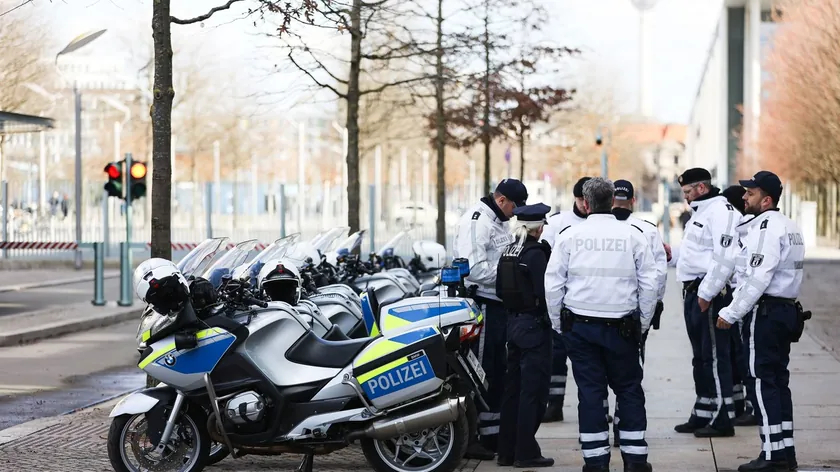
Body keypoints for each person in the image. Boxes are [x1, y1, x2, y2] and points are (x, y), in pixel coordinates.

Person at [545, 178, 658, 472]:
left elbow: (553, 284)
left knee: (590, 393)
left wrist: (558, 325)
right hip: (622, 327)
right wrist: (642, 324)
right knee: (629, 390)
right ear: (612, 201)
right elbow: (650, 283)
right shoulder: (633, 236)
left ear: (585, 203)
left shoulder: (569, 236)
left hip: (580, 328)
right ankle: (635, 459)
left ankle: (595, 462)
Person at [716, 171, 806, 472]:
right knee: (778, 382)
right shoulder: (789, 225)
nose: (744, 197)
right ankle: (785, 451)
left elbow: (757, 278)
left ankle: (772, 455)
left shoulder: (766, 228)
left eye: (751, 193)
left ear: (766, 200)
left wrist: (730, 313)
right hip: (784, 311)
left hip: (766, 313)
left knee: (762, 383)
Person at [453, 178, 528, 457]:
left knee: (496, 372)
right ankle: (470, 438)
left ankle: (492, 436)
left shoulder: (500, 222)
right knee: (480, 372)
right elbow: (474, 269)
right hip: (482, 306)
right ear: (501, 200)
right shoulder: (477, 222)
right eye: (515, 207)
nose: (516, 213)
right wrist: (512, 275)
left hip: (498, 307)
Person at [672, 168, 740, 438]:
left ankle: (723, 416)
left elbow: (726, 257)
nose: (686, 197)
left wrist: (706, 293)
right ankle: (703, 411)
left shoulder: (721, 211)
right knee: (700, 357)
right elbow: (695, 254)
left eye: (688, 191)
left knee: (714, 356)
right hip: (693, 291)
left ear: (701, 188)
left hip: (709, 293)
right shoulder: (701, 212)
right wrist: (671, 254)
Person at [610, 179, 669, 447]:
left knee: (597, 375)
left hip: (595, 312)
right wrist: (653, 307)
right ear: (633, 201)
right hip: (632, 315)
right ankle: (622, 427)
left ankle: (596, 427)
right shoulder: (646, 229)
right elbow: (658, 274)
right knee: (629, 374)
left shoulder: (592, 228)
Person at [495, 202, 555, 468]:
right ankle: (526, 451)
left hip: (513, 325)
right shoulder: (536, 254)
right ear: (538, 228)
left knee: (513, 391)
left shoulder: (508, 252)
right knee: (534, 392)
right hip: (534, 327)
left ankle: (506, 451)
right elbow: (545, 292)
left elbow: (499, 290)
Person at [539, 175, 592, 423]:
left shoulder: (602, 223)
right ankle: (554, 404)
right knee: (557, 357)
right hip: (562, 300)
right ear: (575, 198)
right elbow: (544, 257)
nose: (585, 205)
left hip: (589, 300)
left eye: (587, 200)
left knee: (589, 362)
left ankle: (595, 406)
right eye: (581, 200)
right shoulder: (558, 222)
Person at [721, 185, 759, 427]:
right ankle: (740, 403)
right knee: (737, 354)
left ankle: (751, 405)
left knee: (745, 356)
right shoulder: (743, 228)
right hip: (736, 297)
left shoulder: (745, 230)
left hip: (741, 300)